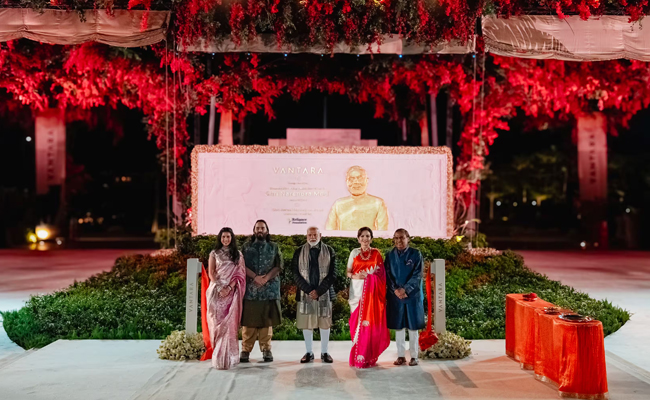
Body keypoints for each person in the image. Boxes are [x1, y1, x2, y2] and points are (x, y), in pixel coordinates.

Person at [292, 227, 337, 364]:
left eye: (315, 234)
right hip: (305, 294)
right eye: (310, 234)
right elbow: (295, 273)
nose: (312, 237)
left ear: (320, 235)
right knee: (307, 324)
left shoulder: (329, 251)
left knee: (324, 324)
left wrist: (319, 291)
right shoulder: (299, 251)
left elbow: (333, 274)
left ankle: (324, 352)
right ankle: (309, 352)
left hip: (324, 294)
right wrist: (308, 290)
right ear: (306, 236)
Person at [347, 227, 390, 368]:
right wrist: (356, 276)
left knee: (369, 324)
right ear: (358, 238)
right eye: (362, 236)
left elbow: (382, 275)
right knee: (356, 324)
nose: (365, 239)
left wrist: (370, 277)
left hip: (371, 294)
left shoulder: (376, 254)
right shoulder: (354, 253)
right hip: (356, 291)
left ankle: (367, 356)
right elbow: (348, 272)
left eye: (367, 236)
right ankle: (356, 355)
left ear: (371, 238)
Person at [240, 220, 283, 363]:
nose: (260, 230)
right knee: (249, 321)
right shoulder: (246, 247)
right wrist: (255, 277)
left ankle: (266, 349)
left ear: (267, 230)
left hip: (269, 290)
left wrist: (266, 278)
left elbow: (279, 266)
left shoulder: (274, 247)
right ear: (254, 230)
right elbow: (241, 266)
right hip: (250, 290)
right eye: (257, 228)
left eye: (262, 228)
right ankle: (245, 350)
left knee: (266, 321)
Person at [205, 227, 246, 370]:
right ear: (220, 238)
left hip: (231, 293)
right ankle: (218, 357)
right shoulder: (214, 253)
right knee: (216, 323)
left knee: (230, 326)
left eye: (228, 237)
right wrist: (219, 287)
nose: (226, 239)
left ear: (232, 238)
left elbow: (240, 274)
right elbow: (211, 273)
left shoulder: (238, 255)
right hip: (217, 292)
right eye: (223, 237)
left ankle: (230, 357)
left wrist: (229, 287)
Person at [385, 228, 425, 366]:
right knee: (399, 327)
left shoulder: (416, 254)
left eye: (402, 237)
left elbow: (417, 275)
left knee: (413, 327)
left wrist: (406, 289)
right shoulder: (390, 255)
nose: (399, 241)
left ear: (408, 238)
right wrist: (395, 290)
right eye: (396, 238)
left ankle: (414, 356)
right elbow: (387, 275)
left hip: (412, 295)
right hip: (396, 296)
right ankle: (401, 356)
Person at [326, 166, 389, 231]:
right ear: (346, 182)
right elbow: (329, 232)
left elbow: (382, 233)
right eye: (351, 179)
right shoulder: (338, 205)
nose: (356, 182)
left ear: (367, 180)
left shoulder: (378, 204)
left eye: (360, 178)